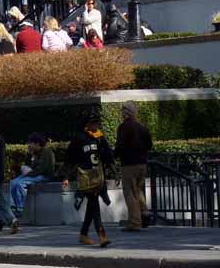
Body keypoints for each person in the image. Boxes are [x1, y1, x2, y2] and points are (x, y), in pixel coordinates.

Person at [65, 115, 113, 247]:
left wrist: (111, 168)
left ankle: (83, 234)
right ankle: (102, 235)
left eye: (98, 122)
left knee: (92, 207)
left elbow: (108, 155)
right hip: (86, 177)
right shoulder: (79, 138)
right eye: (94, 123)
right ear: (86, 124)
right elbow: (70, 157)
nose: (97, 125)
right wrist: (67, 177)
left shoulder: (99, 137)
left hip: (98, 176)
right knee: (94, 204)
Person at [115, 101, 153, 232]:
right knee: (138, 190)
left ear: (125, 112)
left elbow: (120, 146)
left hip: (129, 164)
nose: (121, 113)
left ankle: (134, 223)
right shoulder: (142, 127)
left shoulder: (124, 127)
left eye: (122, 111)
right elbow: (149, 145)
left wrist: (113, 156)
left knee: (129, 193)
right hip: (142, 163)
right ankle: (145, 212)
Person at [9, 133, 55, 217]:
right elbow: (28, 165)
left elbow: (42, 169)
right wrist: (29, 154)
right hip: (34, 174)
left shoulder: (46, 152)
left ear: (37, 143)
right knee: (13, 182)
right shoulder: (34, 152)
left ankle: (19, 208)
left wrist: (28, 174)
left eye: (30, 143)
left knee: (20, 183)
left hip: (44, 176)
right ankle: (12, 206)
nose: (28, 145)